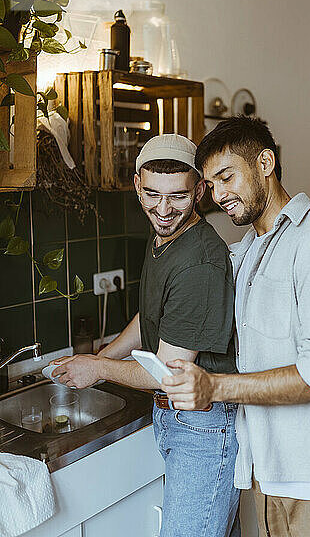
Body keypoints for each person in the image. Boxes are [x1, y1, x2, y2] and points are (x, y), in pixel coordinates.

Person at [161, 116, 310, 537]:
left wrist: (214, 387)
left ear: (265, 163)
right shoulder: (249, 250)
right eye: (211, 185)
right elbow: (191, 287)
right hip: (272, 476)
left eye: (227, 177)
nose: (219, 194)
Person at [52, 134, 241, 537]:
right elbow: (152, 313)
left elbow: (170, 373)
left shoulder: (200, 261)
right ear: (138, 183)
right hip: (178, 418)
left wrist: (99, 368)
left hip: (201, 427)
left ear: (201, 190)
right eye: (152, 194)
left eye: (178, 197)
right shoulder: (164, 236)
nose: (163, 209)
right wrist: (110, 353)